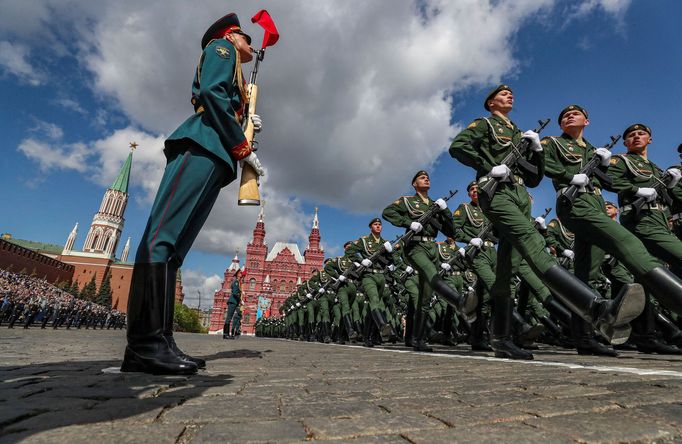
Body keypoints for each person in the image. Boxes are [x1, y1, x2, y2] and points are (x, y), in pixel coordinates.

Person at [450, 87, 644, 360]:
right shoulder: (485, 124)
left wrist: (537, 151)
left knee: (505, 270)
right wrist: (488, 164)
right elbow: (458, 147)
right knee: (533, 240)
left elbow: (533, 179)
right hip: (495, 191)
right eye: (502, 95)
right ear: (491, 102)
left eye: (511, 95)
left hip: (518, 194)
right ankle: (596, 309)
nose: (510, 97)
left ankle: (500, 338)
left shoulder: (518, 133)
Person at [121, 12, 265, 375]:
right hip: (201, 144)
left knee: (176, 250)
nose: (251, 44)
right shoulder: (221, 49)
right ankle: (144, 344)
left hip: (215, 152)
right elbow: (211, 94)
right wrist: (241, 144)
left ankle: (161, 339)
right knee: (162, 237)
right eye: (247, 37)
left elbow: (222, 100)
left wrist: (246, 120)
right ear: (231, 36)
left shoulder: (237, 67)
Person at [383, 171, 477, 352]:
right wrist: (407, 223)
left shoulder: (435, 205)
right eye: (421, 178)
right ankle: (460, 301)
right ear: (414, 184)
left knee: (425, 299)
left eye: (427, 177)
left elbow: (450, 230)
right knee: (432, 274)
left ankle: (417, 339)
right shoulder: (407, 201)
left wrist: (445, 210)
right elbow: (388, 212)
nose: (426, 179)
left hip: (432, 248)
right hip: (415, 247)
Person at [224, 269, 243, 339]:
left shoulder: (238, 282)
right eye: (240, 273)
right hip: (233, 301)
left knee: (229, 318)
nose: (241, 274)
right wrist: (240, 300)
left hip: (234, 301)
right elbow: (235, 293)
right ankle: (225, 334)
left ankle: (226, 334)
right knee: (229, 318)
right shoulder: (236, 282)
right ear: (237, 274)